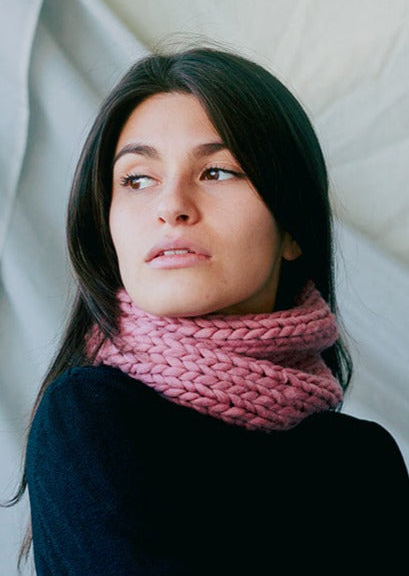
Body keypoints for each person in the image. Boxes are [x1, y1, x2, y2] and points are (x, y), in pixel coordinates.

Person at [7, 46, 409, 574]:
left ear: (292, 227)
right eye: (137, 179)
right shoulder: (88, 418)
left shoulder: (365, 460)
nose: (171, 205)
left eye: (217, 172)